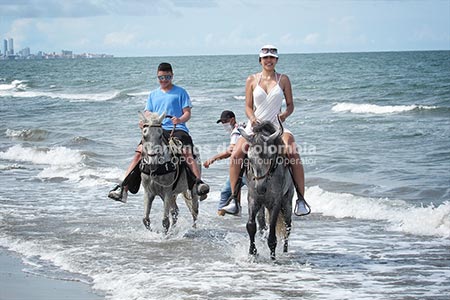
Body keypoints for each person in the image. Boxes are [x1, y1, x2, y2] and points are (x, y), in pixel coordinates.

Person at [222, 44, 309, 216]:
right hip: (255, 127)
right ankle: (234, 200)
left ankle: (300, 199)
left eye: (272, 57)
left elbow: (291, 105)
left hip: (277, 127)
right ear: (260, 60)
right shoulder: (252, 80)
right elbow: (247, 106)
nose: (269, 60)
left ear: (276, 60)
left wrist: (284, 115)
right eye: (265, 57)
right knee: (236, 155)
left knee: (293, 153)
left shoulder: (283, 79)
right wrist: (252, 118)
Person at [108, 62, 209, 202]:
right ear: (157, 77)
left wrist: (179, 120)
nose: (164, 80)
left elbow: (187, 113)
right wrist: (146, 121)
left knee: (186, 152)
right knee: (138, 154)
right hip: (156, 130)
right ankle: (123, 188)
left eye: (167, 77)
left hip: (177, 129)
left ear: (172, 76)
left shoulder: (181, 92)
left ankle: (198, 183)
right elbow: (147, 111)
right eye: (161, 77)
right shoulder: (153, 95)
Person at [203, 110, 247, 216]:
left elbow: (230, 151)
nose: (224, 124)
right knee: (235, 191)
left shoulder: (236, 132)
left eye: (225, 121)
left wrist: (213, 159)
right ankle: (237, 212)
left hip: (242, 169)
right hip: (247, 166)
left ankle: (221, 219)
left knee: (225, 192)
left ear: (232, 119)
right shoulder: (243, 127)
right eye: (222, 122)